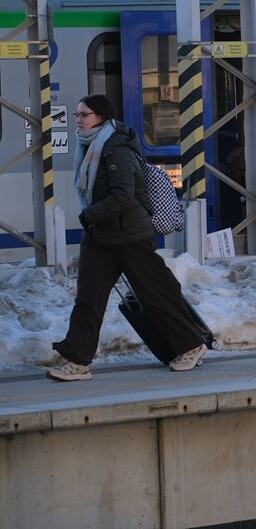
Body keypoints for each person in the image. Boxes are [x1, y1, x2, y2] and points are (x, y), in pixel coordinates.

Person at [48, 94, 207, 381]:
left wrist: (90, 215)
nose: (78, 119)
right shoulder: (89, 146)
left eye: (84, 114)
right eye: (77, 114)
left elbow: (123, 197)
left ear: (101, 117)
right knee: (88, 299)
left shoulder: (116, 149)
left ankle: (191, 345)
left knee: (156, 294)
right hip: (100, 238)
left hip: (130, 235)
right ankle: (77, 360)